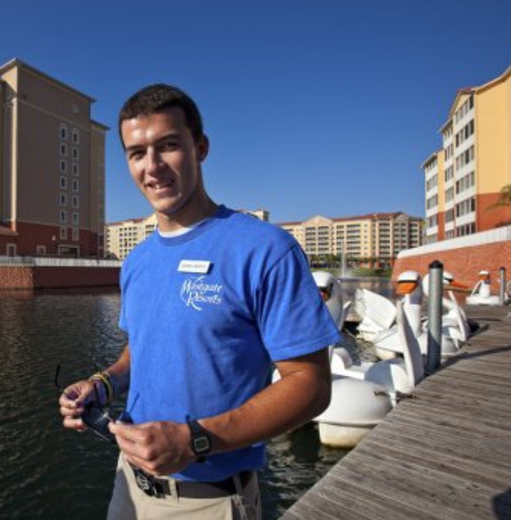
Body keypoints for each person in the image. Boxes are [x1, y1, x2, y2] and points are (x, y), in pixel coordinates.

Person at [58, 84, 340, 519]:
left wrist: (194, 440)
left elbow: (311, 384)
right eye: (136, 153)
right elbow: (143, 349)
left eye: (168, 146)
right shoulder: (136, 261)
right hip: (127, 487)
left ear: (200, 147)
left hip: (209, 500)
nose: (152, 167)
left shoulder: (265, 249)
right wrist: (102, 384)